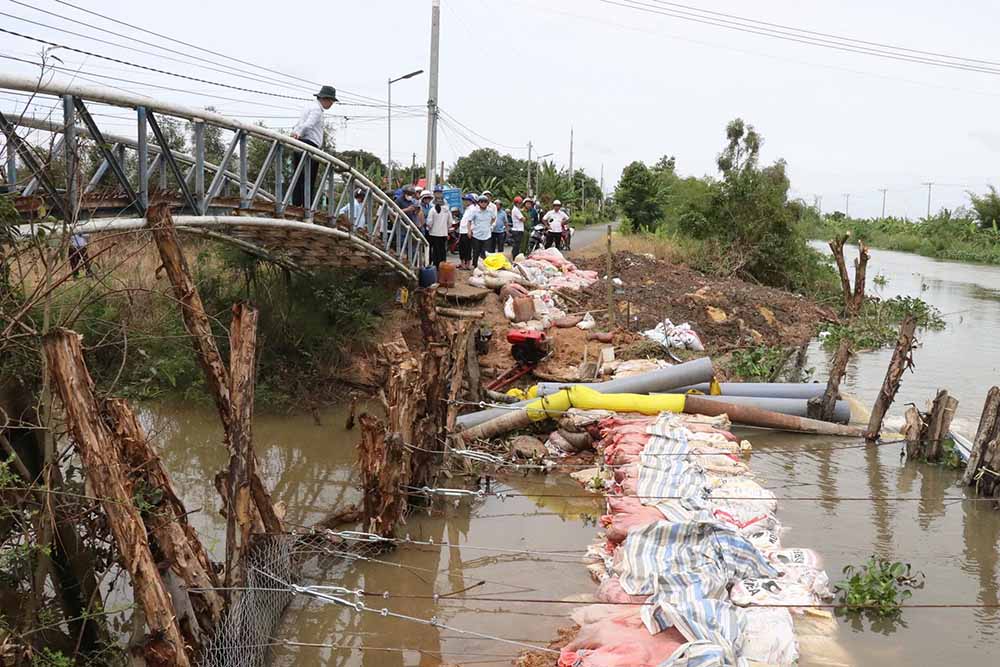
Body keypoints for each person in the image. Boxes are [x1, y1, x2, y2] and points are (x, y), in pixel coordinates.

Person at [290, 85, 338, 208]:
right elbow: (308, 125)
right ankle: (307, 206)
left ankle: (297, 203)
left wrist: (295, 134)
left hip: (300, 144)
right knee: (309, 178)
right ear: (326, 99)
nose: (331, 104)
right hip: (309, 145)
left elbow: (300, 124)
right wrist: (298, 134)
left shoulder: (309, 107)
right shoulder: (317, 110)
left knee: (298, 176)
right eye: (331, 101)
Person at [426, 188, 451, 268]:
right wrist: (446, 229)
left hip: (433, 233)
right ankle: (442, 266)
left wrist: (429, 228)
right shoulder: (447, 210)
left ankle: (435, 266)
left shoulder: (432, 210)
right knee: (442, 250)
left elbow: (429, 223)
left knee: (435, 251)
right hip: (443, 233)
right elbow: (450, 223)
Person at [468, 194, 495, 268]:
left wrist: (489, 225)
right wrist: (469, 231)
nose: (483, 203)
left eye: (485, 202)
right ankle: (475, 266)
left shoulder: (490, 211)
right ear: (478, 203)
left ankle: (484, 267)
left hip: (487, 235)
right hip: (476, 234)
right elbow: (469, 221)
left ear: (487, 203)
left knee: (486, 252)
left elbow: (494, 218)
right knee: (476, 252)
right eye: (481, 201)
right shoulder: (475, 211)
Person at [457, 193, 477, 270]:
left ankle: (467, 264)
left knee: (467, 248)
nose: (465, 202)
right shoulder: (467, 209)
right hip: (462, 231)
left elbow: (472, 221)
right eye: (464, 200)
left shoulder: (473, 209)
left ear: (471, 201)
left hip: (467, 231)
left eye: (466, 200)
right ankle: (463, 264)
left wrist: (470, 231)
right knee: (462, 248)